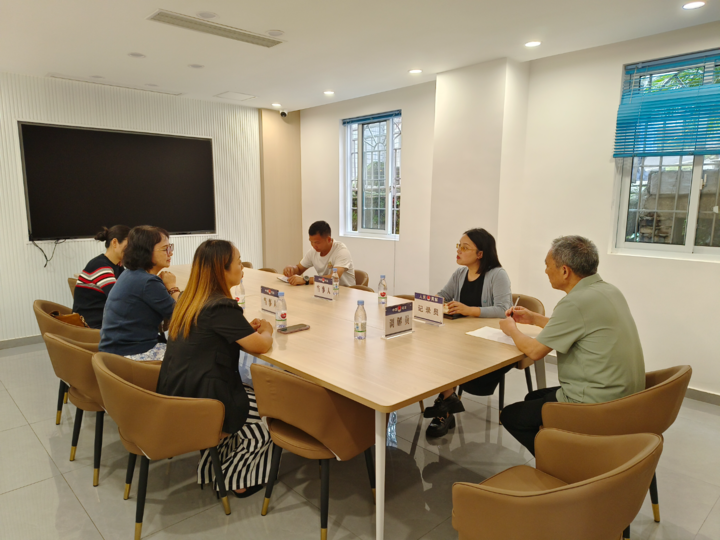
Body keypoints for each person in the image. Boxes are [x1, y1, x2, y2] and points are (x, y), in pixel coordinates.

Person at [498, 235, 645, 455]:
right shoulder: (608, 290)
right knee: (533, 398)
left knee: (512, 416)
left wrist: (511, 329)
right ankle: (561, 443)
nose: (546, 271)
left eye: (547, 265)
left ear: (565, 271)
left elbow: (535, 351)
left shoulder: (574, 303)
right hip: (626, 396)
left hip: (596, 403)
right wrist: (534, 318)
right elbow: (580, 327)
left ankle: (562, 461)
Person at [157, 239, 274, 498]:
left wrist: (243, 330)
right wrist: (267, 329)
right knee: (267, 413)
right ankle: (236, 479)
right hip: (204, 401)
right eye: (238, 262)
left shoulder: (189, 299)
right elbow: (261, 346)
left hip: (176, 392)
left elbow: (216, 332)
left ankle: (214, 466)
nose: (242, 268)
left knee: (250, 389)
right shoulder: (221, 306)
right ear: (223, 269)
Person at [424, 228, 513, 438]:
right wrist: (433, 302)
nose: (459, 251)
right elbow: (444, 294)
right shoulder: (460, 273)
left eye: (465, 247)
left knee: (447, 355)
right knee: (434, 350)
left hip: (489, 342)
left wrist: (469, 310)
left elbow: (504, 309)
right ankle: (448, 401)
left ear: (480, 253)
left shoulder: (497, 275)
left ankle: (445, 407)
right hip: (462, 337)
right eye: (459, 246)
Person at [99, 226, 180, 361]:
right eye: (165, 249)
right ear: (145, 252)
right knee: (195, 359)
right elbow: (181, 317)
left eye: (170, 247)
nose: (170, 253)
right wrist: (172, 287)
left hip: (114, 351)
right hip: (130, 355)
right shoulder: (148, 282)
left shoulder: (130, 274)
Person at [72, 225, 130, 329]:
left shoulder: (118, 266)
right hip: (91, 326)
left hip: (105, 322)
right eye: (128, 246)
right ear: (114, 242)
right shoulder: (100, 266)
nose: (131, 251)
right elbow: (119, 298)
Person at [283, 221, 356, 287]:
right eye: (311, 242)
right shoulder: (313, 251)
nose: (313, 245)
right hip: (325, 289)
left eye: (317, 242)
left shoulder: (341, 251)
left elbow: (334, 277)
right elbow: (299, 269)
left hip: (345, 290)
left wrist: (306, 280)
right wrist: (291, 269)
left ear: (328, 239)